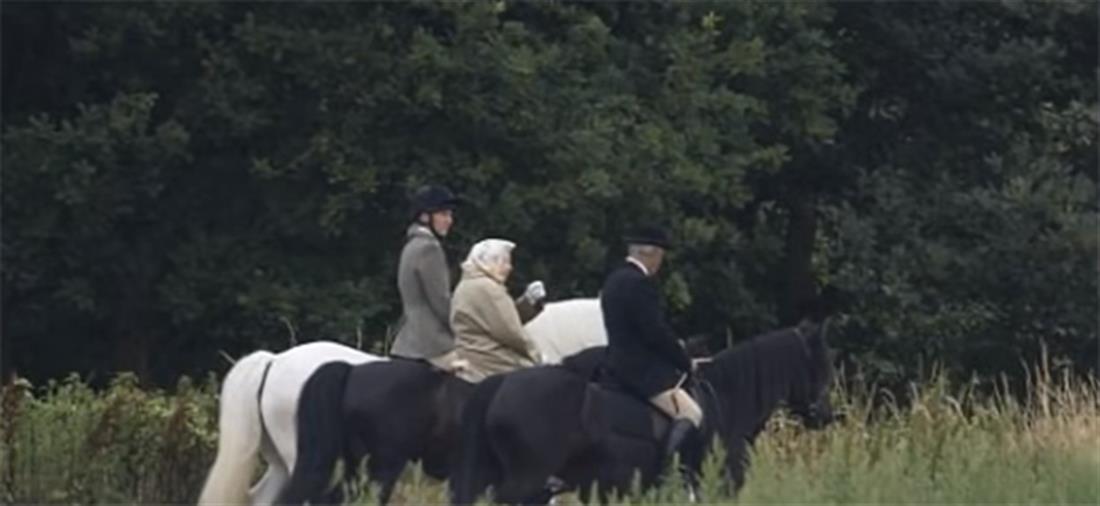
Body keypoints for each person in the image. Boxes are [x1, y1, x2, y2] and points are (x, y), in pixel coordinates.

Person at [600, 225, 703, 465]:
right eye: (661, 257)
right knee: (691, 413)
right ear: (652, 253)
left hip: (614, 363)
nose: (660, 263)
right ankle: (671, 475)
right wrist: (684, 361)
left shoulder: (614, 279)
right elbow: (654, 333)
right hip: (640, 371)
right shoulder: (639, 283)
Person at [389, 185, 467, 372]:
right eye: (443, 215)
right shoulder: (429, 248)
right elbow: (441, 301)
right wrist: (466, 330)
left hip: (407, 339)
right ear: (425, 217)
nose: (449, 221)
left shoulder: (412, 245)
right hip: (432, 344)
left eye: (450, 215)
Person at [451, 238, 547, 383]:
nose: (509, 267)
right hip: (492, 361)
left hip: (472, 358)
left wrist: (528, 302)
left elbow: (498, 320)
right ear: (489, 263)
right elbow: (511, 332)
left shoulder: (466, 285)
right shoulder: (488, 289)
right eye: (504, 262)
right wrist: (537, 356)